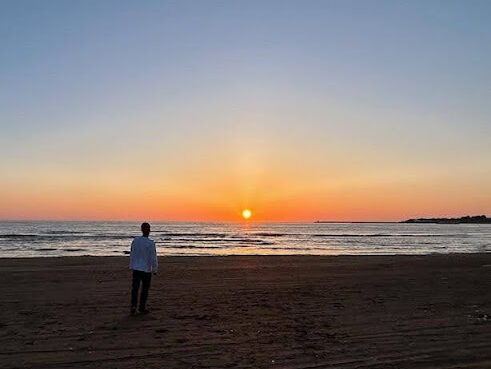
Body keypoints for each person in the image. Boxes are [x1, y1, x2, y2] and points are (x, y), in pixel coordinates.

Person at [129, 222, 158, 315]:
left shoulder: (135, 241)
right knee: (144, 289)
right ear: (149, 230)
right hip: (145, 269)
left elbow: (132, 253)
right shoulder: (150, 243)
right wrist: (155, 269)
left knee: (135, 289)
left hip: (136, 267)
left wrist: (132, 265)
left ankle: (134, 306)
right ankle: (141, 307)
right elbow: (153, 257)